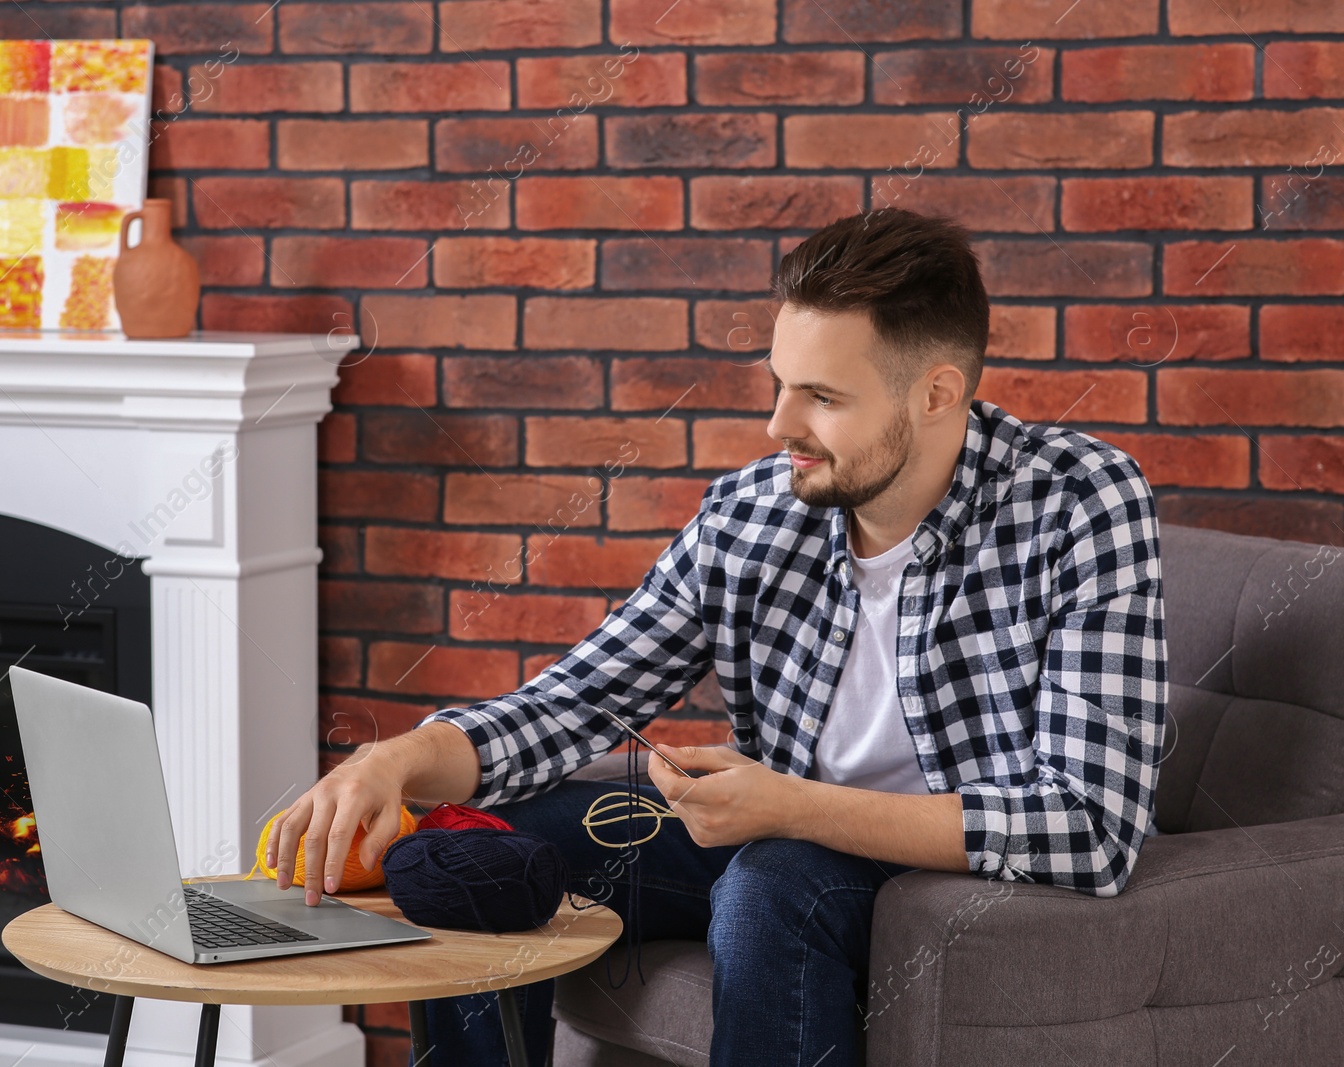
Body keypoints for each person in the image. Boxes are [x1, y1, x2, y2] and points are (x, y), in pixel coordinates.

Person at [264, 207, 1168, 1067]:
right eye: (780, 384)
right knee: (473, 850)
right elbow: (579, 699)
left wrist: (790, 805)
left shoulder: (1078, 502)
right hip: (772, 829)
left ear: (937, 394)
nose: (781, 426)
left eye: (822, 397)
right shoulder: (755, 511)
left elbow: (1088, 825)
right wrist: (393, 761)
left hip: (942, 875)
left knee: (770, 884)